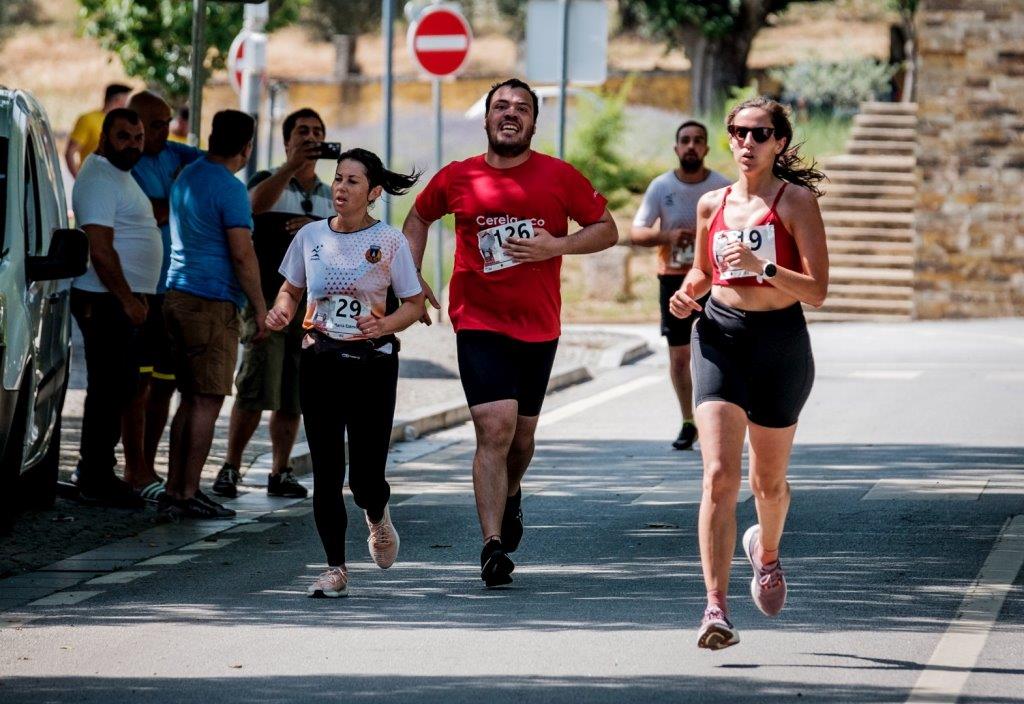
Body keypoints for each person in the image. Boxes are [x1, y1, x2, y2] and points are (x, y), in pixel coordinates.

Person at [403, 78, 618, 588]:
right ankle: (491, 545)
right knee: (494, 427)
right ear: (485, 119)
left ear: (533, 123)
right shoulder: (458, 177)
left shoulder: (558, 176)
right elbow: (417, 215)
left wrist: (555, 246)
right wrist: (410, 280)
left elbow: (607, 228)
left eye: (521, 108)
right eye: (501, 105)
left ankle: (512, 491)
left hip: (539, 325)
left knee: (521, 438)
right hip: (478, 320)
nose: (510, 113)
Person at [668, 96, 828, 650]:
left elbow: (818, 290)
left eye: (760, 134)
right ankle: (715, 608)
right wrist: (688, 295)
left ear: (779, 143)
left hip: (780, 345)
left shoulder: (796, 202)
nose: (747, 142)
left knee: (768, 482)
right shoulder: (711, 203)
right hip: (719, 338)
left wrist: (765, 267)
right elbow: (703, 271)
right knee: (718, 475)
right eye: (738, 132)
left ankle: (768, 551)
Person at [267, 147, 425, 597]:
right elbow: (291, 289)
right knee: (327, 472)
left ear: (373, 192)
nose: (340, 187)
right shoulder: (311, 237)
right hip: (320, 360)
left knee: (364, 479)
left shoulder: (390, 242)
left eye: (353, 181)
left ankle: (377, 515)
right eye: (338, 179)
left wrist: (385, 323)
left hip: (373, 364)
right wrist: (281, 312)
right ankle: (335, 568)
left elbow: (412, 305)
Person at [213, 108, 333, 501]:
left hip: (311, 309)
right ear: (287, 141)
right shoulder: (269, 179)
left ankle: (280, 470)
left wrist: (317, 231)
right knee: (254, 386)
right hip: (267, 300)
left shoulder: (331, 195)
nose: (311, 137)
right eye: (303, 131)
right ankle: (231, 465)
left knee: (294, 394)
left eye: (318, 132)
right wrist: (290, 168)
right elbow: (250, 208)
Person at [159, 110, 268, 519]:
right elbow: (242, 253)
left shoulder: (188, 176)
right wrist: (259, 307)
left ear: (210, 137)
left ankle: (175, 488)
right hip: (211, 301)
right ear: (247, 147)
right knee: (207, 400)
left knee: (188, 400)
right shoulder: (230, 188)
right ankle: (187, 493)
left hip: (177, 294)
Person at [69, 108, 162, 508]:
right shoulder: (99, 177)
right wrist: (128, 300)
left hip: (122, 301)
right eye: (124, 136)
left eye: (138, 137)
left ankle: (98, 472)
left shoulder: (120, 176)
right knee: (108, 389)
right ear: (104, 137)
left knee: (120, 387)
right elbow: (100, 249)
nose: (133, 144)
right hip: (106, 300)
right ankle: (94, 477)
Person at [629, 121, 730, 451]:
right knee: (679, 356)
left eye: (698, 141)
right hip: (673, 279)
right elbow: (636, 232)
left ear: (706, 149)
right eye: (685, 141)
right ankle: (688, 419)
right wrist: (668, 236)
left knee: (719, 353)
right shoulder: (661, 187)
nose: (691, 146)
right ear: (676, 148)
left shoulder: (722, 188)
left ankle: (720, 418)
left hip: (714, 280)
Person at [125, 90, 203, 504]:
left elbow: (213, 171)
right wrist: (179, 198)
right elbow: (147, 211)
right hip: (140, 289)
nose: (163, 130)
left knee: (165, 385)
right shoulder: (125, 162)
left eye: (166, 122)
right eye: (154, 124)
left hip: (174, 287)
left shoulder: (178, 155)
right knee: (135, 384)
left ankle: (148, 467)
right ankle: (131, 466)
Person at [65, 83, 131, 177]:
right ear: (118, 100)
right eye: (126, 101)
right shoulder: (88, 119)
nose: (128, 105)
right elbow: (70, 152)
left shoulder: (126, 124)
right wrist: (78, 179)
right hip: (92, 180)